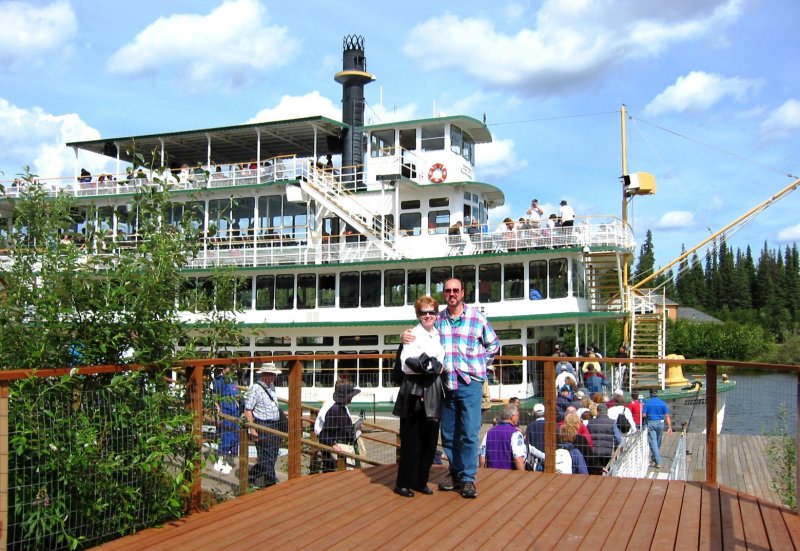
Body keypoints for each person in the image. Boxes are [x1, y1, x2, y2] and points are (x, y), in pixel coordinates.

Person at [404, 277, 500, 499]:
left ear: (463, 293)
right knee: (448, 434)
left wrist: (480, 365)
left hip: (470, 384)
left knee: (468, 433)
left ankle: (468, 478)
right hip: (446, 385)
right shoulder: (439, 320)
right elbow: (422, 331)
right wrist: (404, 335)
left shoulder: (477, 318)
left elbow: (493, 344)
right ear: (444, 294)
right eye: (448, 291)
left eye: (456, 290)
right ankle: (455, 472)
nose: (452, 294)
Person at [392, 296, 445, 498]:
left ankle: (421, 480)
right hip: (414, 390)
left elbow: (439, 361)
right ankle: (403, 483)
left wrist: (433, 366)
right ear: (418, 315)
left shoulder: (437, 335)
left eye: (431, 312)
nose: (428, 316)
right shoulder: (412, 334)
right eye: (424, 312)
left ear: (436, 314)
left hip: (433, 390)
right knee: (411, 439)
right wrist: (431, 366)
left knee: (430, 440)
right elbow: (406, 362)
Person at [244, 362, 284, 488]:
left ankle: (254, 474)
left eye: (274, 375)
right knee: (266, 454)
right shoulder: (255, 388)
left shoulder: (271, 386)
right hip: (263, 425)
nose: (274, 377)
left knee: (273, 453)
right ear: (266, 375)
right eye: (272, 375)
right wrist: (253, 429)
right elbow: (248, 410)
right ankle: (271, 483)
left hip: (274, 424)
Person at [318, 381, 362, 472]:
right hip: (337, 452)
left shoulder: (341, 408)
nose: (352, 398)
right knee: (335, 476)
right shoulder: (335, 410)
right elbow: (324, 433)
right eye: (350, 396)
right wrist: (333, 445)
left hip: (342, 449)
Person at [479, 405, 526, 470]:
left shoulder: (489, 432)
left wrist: (482, 470)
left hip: (491, 474)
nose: (518, 417)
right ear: (512, 417)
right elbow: (518, 458)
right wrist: (523, 475)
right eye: (518, 415)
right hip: (509, 475)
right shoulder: (516, 433)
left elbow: (482, 455)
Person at [213, 365, 240, 475]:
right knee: (225, 436)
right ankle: (220, 460)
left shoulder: (232, 380)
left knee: (235, 436)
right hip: (225, 410)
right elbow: (214, 396)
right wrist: (218, 410)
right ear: (224, 368)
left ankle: (229, 459)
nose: (231, 369)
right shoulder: (218, 380)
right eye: (230, 367)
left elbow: (236, 393)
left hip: (234, 410)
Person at [643, 387, 673, 469]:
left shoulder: (647, 403)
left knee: (653, 443)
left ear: (650, 394)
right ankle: (655, 458)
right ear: (657, 394)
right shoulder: (662, 403)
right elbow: (667, 416)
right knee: (658, 442)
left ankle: (658, 461)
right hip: (661, 423)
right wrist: (670, 427)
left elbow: (644, 415)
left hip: (651, 423)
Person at [586, 403, 617, 475]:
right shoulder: (612, 423)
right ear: (607, 411)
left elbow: (586, 437)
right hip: (607, 452)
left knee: (595, 473)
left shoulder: (590, 422)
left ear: (597, 411)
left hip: (594, 452)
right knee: (606, 472)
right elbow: (618, 438)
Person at [525, 403, 546, 471]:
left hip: (536, 460)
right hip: (551, 459)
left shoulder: (530, 426)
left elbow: (528, 444)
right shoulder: (552, 425)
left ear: (534, 414)